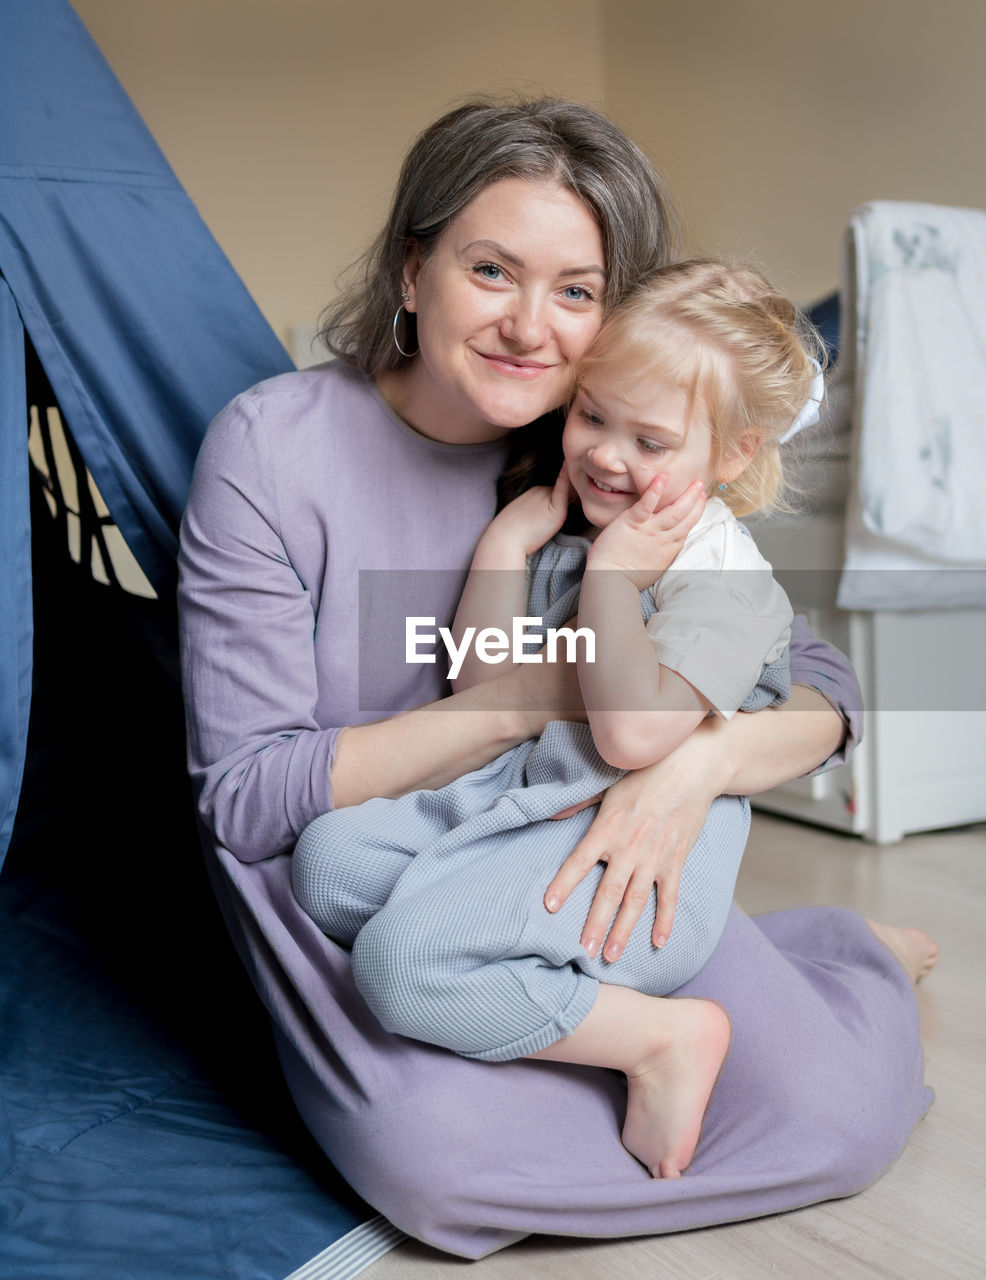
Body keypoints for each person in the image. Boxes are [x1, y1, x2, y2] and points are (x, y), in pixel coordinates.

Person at [178, 96, 938, 1257]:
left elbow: (815, 678)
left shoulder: (608, 445)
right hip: (406, 846)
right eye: (492, 269)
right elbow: (243, 798)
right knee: (446, 1172)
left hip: (587, 842)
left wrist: (695, 768)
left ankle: (829, 962)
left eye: (577, 291)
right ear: (412, 268)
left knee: (833, 1117)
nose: (532, 327)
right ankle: (720, 983)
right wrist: (545, 691)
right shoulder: (273, 452)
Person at [292, 258, 820, 1179]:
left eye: (650, 442)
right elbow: (481, 687)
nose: (606, 455)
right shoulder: (580, 531)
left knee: (399, 967)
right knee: (326, 866)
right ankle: (502, 987)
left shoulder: (719, 577)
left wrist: (613, 582)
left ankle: (659, 1039)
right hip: (520, 802)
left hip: (620, 854)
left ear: (734, 454)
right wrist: (507, 543)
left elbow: (631, 736)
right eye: (593, 416)